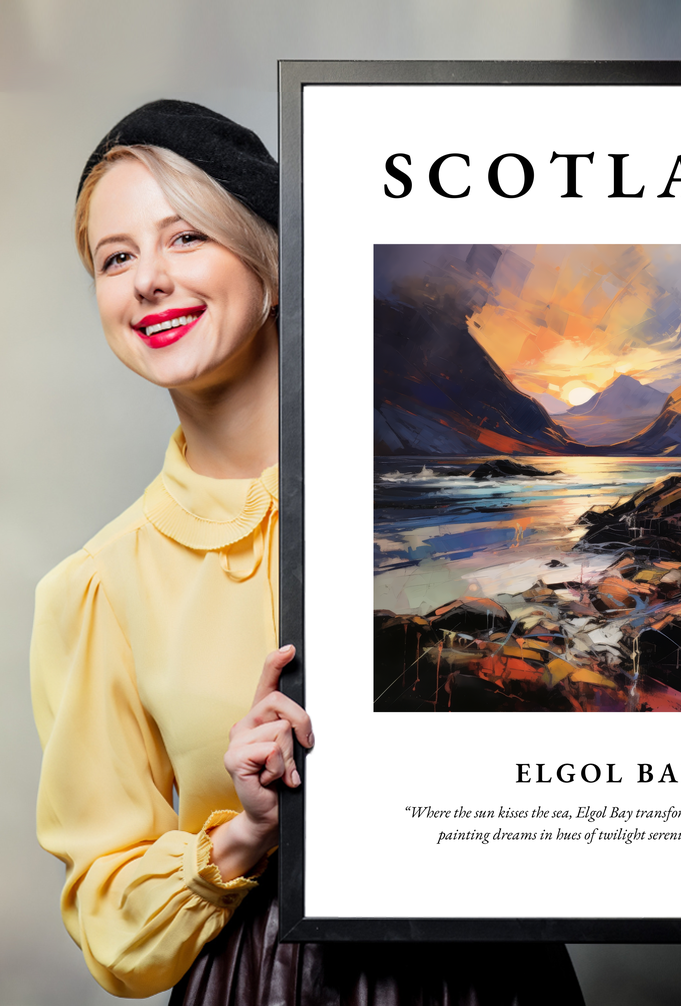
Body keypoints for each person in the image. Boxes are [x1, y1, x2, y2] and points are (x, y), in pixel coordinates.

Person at [30, 100, 585, 1004]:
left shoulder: (448, 515)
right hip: (264, 981)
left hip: (493, 973)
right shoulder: (97, 587)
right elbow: (110, 924)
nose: (148, 281)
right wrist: (245, 832)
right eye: (116, 257)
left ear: (273, 265)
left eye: (186, 239)